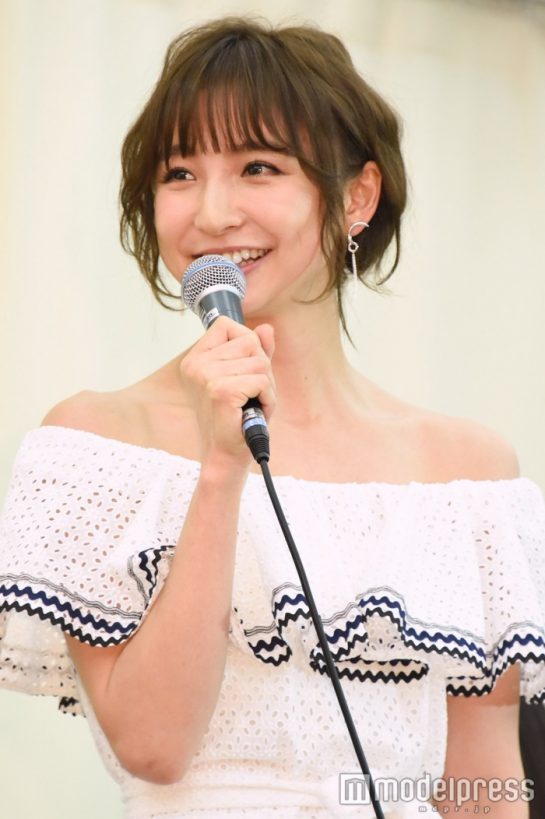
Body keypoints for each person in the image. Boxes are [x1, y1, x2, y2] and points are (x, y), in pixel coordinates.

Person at [1, 15, 544, 819]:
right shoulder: (98, 444)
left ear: (356, 196)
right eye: (179, 172)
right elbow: (153, 745)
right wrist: (221, 468)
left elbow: (481, 791)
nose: (213, 212)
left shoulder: (464, 473)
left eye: (258, 166)